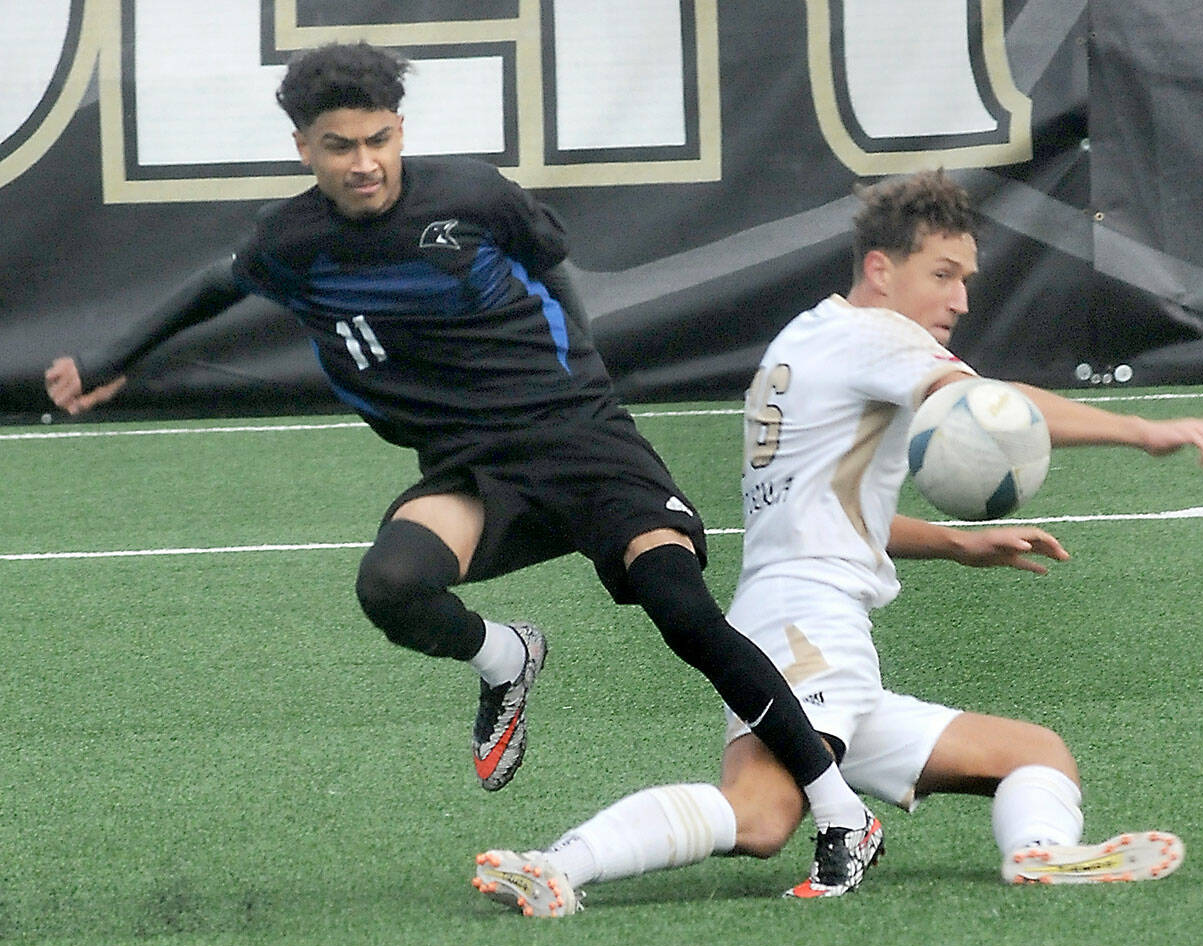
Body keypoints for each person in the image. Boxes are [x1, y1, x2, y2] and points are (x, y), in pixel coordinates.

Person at [43, 41, 885, 894]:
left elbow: (553, 264)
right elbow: (212, 285)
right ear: (304, 149)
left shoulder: (473, 195)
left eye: (379, 139)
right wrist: (117, 355)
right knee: (390, 586)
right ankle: (505, 657)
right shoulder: (291, 240)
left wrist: (584, 377)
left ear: (400, 131)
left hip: (583, 441)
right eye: (340, 146)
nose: (365, 163)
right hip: (474, 467)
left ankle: (843, 811)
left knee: (680, 607)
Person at [472, 168, 1203, 916]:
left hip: (804, 619)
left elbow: (824, 512)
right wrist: (1144, 431)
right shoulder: (875, 336)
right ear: (881, 268)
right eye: (943, 274)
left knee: (1035, 753)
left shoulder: (806, 338)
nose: (960, 299)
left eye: (967, 279)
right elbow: (992, 407)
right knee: (762, 814)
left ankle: (1039, 851)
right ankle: (556, 864)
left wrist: (956, 543)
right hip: (808, 624)